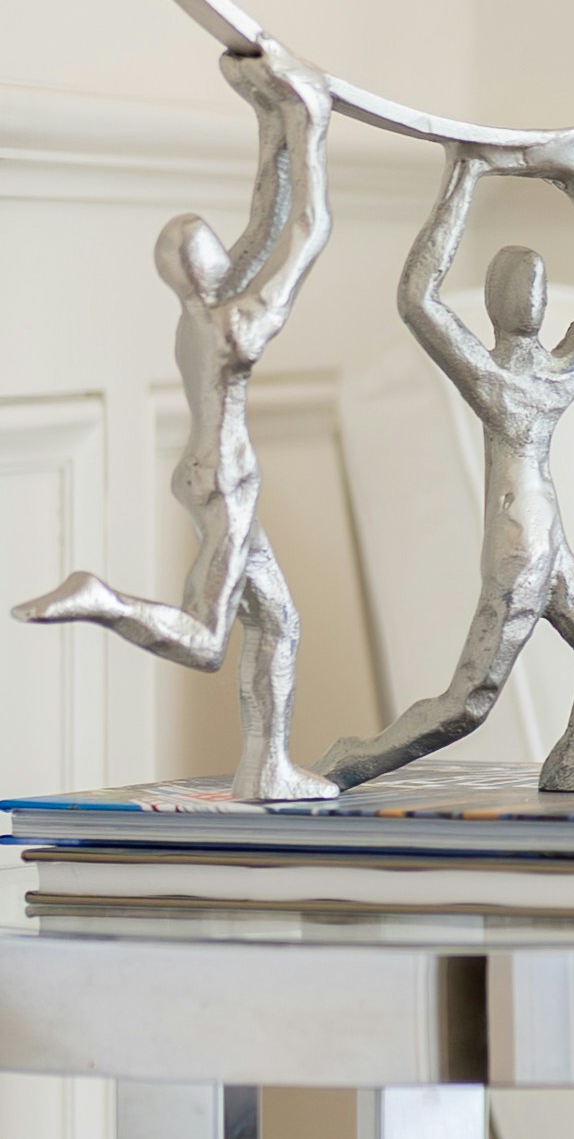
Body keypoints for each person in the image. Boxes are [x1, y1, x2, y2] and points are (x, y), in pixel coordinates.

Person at [17, 45, 339, 798]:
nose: (234, 249)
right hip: (228, 483)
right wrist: (313, 123)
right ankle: (104, 599)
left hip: (206, 475)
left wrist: (271, 111)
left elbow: (266, 216)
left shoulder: (197, 319)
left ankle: (268, 767)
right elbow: (304, 232)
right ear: (208, 264)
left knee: (278, 621)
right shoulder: (237, 326)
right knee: (205, 641)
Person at [333, 137, 574, 791]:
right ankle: (349, 761)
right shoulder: (492, 377)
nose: (532, 293)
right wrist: (463, 176)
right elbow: (418, 298)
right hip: (517, 549)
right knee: (471, 701)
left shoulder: (557, 370)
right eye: (520, 284)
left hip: (549, 546)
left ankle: (571, 759)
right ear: (502, 304)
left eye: (534, 283)